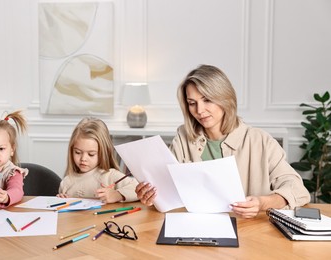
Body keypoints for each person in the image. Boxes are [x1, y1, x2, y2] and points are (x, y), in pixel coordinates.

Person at [135, 64, 310, 218]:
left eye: (207, 100)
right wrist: (152, 196)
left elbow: (297, 189)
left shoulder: (260, 141)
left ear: (225, 98)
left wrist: (262, 203)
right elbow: (170, 193)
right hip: (195, 227)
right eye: (192, 102)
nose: (199, 110)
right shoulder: (183, 138)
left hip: (249, 233)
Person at [57, 117, 139, 203]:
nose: (83, 159)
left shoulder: (110, 176)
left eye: (91, 154)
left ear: (103, 153)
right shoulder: (66, 182)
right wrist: (61, 200)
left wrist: (117, 195)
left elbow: (137, 188)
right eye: (78, 152)